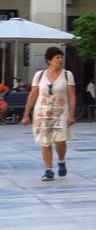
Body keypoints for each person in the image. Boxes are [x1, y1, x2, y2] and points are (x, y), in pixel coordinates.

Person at [21, 46, 76, 181]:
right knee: (45, 142)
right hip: (42, 112)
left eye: (61, 57)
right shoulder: (39, 75)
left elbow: (72, 96)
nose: (60, 60)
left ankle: (61, 161)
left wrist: (71, 115)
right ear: (49, 60)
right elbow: (33, 95)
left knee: (60, 140)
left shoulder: (67, 74)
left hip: (60, 111)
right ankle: (48, 170)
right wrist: (26, 114)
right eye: (57, 57)